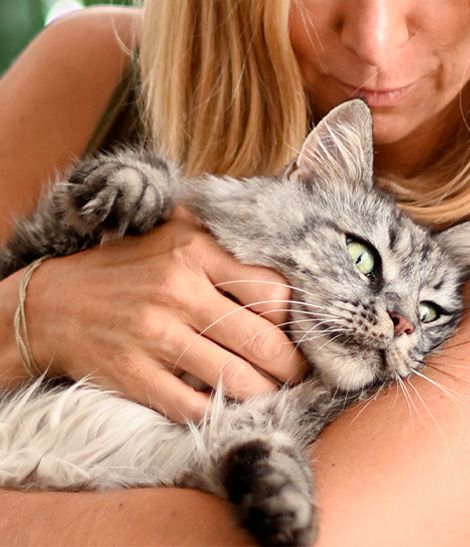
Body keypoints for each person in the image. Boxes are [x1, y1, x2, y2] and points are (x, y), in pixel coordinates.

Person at [0, 1, 469, 544]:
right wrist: (30, 312)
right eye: (364, 260)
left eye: (428, 313)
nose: (374, 40)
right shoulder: (90, 69)